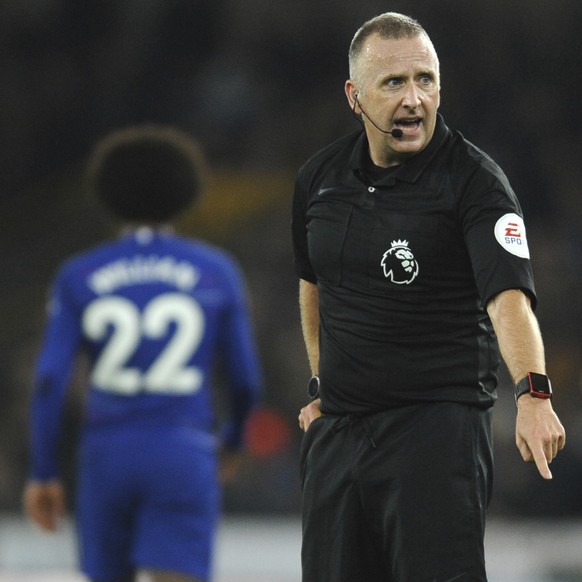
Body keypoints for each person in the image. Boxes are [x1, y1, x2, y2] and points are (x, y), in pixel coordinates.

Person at [292, 12, 565, 582]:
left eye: (426, 79)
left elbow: (508, 298)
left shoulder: (474, 182)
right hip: (339, 439)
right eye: (394, 83)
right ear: (354, 95)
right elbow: (314, 284)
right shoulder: (318, 180)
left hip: (434, 436)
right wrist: (322, 385)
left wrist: (533, 394)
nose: (414, 99)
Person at [23, 124, 263, 582]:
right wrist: (231, 443)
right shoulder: (216, 271)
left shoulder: (78, 275)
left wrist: (43, 470)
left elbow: (50, 379)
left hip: (106, 452)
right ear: (184, 191)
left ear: (106, 193)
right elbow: (245, 380)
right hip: (183, 448)